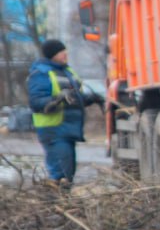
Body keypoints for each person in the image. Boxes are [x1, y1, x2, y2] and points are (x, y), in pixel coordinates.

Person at [27, 38, 103, 188]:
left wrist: (90, 98)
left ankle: (62, 202)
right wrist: (56, 99)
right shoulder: (41, 73)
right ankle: (54, 203)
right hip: (54, 129)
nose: (65, 54)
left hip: (69, 129)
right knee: (60, 172)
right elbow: (36, 102)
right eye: (61, 51)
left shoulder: (67, 71)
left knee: (68, 172)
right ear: (52, 54)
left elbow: (75, 98)